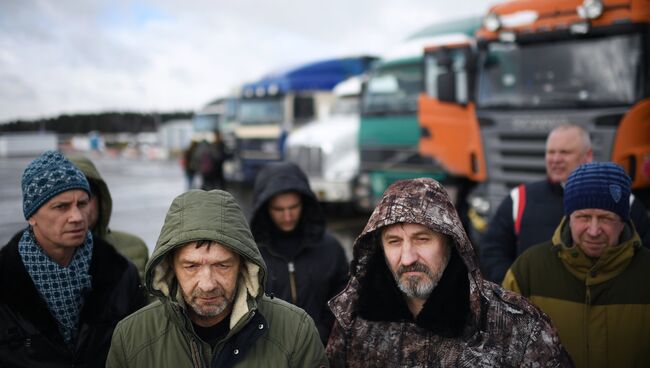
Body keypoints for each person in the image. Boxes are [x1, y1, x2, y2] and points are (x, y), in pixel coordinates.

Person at [326, 178, 573, 367]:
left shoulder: (517, 326)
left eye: (422, 239)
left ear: (451, 243)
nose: (408, 257)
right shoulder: (354, 323)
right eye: (394, 242)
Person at [106, 189, 328, 367]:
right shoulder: (131, 338)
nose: (208, 284)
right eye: (191, 266)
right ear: (170, 267)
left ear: (243, 264)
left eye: (222, 265)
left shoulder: (296, 332)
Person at [0, 150, 145, 367]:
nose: (77, 217)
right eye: (61, 207)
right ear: (31, 215)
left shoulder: (122, 274)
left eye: (83, 204)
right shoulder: (5, 278)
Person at [502, 162, 650, 367]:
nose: (594, 230)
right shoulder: (527, 271)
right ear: (569, 217)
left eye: (606, 218)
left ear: (623, 221)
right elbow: (504, 350)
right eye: (584, 217)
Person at [480, 124, 650, 283]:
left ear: (588, 156)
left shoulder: (621, 201)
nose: (555, 159)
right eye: (551, 152)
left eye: (565, 152)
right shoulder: (519, 199)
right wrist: (517, 290)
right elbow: (492, 251)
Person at [249, 162, 349, 343]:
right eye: (279, 209)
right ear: (264, 208)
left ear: (305, 203)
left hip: (320, 349)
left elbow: (344, 300)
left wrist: (324, 333)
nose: (287, 216)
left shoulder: (330, 248)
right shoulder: (251, 254)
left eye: (293, 207)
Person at [69, 155, 149, 281]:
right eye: (62, 205)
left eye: (84, 201)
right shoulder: (30, 262)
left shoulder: (134, 248)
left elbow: (152, 298)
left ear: (101, 200)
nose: (75, 215)